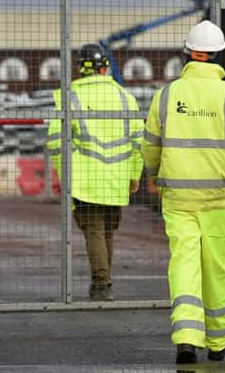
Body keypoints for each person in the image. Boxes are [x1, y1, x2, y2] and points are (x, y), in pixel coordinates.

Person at [142, 20, 225, 364]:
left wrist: (155, 175)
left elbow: (150, 146)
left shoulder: (166, 95)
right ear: (219, 56)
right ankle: (219, 340)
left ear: (187, 55)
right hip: (219, 201)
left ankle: (186, 337)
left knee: (183, 264)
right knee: (216, 268)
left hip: (177, 200)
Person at [46, 43, 144, 301]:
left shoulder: (71, 97)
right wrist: (134, 174)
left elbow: (56, 142)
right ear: (105, 68)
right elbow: (138, 141)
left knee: (94, 231)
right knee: (107, 231)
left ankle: (102, 285)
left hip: (85, 180)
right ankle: (103, 283)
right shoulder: (125, 97)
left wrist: (64, 174)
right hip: (117, 178)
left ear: (80, 69)